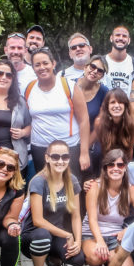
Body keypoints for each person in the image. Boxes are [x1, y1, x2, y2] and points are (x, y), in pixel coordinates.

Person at [22, 140, 86, 266]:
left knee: (77, 261)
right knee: (43, 236)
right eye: (55, 156)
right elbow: (38, 220)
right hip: (32, 235)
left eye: (64, 157)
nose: (60, 161)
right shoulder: (39, 181)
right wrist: (67, 234)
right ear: (47, 158)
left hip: (56, 234)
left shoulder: (72, 180)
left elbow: (76, 216)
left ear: (69, 158)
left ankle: (53, 261)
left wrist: (77, 241)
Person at [25, 48, 92, 177]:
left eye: (45, 63)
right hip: (41, 148)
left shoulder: (69, 86)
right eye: (37, 65)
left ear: (53, 64)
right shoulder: (29, 89)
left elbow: (84, 120)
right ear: (33, 68)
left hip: (69, 147)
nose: (42, 67)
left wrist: (84, 153)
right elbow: (29, 119)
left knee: (70, 187)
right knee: (44, 188)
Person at [83, 149, 134, 266]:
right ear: (105, 168)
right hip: (92, 235)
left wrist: (128, 229)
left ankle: (109, 260)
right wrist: (100, 241)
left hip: (115, 238)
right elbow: (92, 219)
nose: (115, 168)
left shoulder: (131, 190)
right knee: (96, 256)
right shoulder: (94, 187)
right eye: (111, 165)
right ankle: (97, 265)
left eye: (120, 165)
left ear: (125, 168)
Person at [92, 89, 134, 163]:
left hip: (127, 154)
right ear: (107, 106)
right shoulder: (99, 123)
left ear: (125, 106)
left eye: (120, 102)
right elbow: (104, 150)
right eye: (112, 102)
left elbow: (130, 150)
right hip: (106, 153)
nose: (117, 106)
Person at [76, 55, 110, 138]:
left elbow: (101, 123)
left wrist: (86, 147)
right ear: (85, 67)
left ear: (102, 76)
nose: (95, 71)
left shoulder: (104, 92)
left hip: (91, 140)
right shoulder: (70, 85)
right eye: (92, 67)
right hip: (68, 137)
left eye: (100, 71)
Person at [102, 25, 134, 92]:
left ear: (129, 40)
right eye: (117, 35)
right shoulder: (101, 62)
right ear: (111, 38)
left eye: (124, 36)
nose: (121, 38)